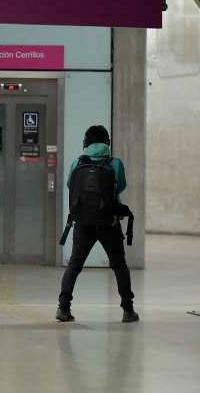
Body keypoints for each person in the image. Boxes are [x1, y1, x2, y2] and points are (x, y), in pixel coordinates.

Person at [57, 124, 137, 323]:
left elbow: (70, 185)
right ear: (107, 142)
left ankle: (63, 308)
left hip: (83, 223)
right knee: (119, 266)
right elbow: (121, 186)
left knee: (74, 265)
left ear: (86, 143)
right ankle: (128, 310)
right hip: (108, 223)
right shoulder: (114, 163)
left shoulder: (77, 163)